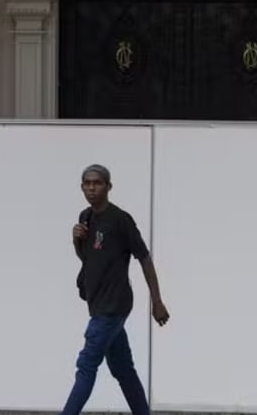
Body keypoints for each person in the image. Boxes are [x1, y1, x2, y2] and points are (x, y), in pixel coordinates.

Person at [62, 163, 170, 415]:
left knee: (86, 365)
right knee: (123, 369)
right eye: (87, 183)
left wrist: (157, 301)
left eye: (97, 183)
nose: (91, 188)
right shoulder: (85, 217)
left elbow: (144, 258)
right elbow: (88, 258)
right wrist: (76, 241)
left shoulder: (121, 220)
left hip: (113, 305)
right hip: (97, 302)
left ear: (108, 187)